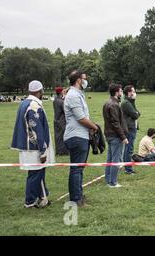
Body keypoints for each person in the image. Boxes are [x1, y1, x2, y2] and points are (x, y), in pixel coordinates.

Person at [11, 80, 54, 208]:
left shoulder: (24, 103)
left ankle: (42, 197)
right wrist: (42, 150)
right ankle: (30, 201)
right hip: (34, 147)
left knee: (37, 173)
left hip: (28, 146)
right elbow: (37, 130)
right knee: (36, 174)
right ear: (40, 91)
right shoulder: (34, 106)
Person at [64, 70, 98, 207]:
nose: (86, 80)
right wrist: (95, 127)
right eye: (85, 78)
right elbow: (81, 118)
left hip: (80, 135)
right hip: (77, 136)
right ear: (78, 80)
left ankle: (78, 196)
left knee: (78, 168)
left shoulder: (77, 94)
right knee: (77, 169)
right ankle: (76, 200)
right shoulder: (73, 95)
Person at [103, 83, 129, 188]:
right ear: (117, 92)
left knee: (110, 158)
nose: (122, 93)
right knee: (115, 159)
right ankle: (113, 182)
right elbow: (115, 123)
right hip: (115, 136)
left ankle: (108, 180)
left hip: (109, 135)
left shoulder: (107, 103)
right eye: (121, 91)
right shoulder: (114, 105)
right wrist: (123, 137)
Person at [121, 85, 141, 175]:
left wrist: (133, 101)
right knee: (129, 149)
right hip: (129, 128)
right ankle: (128, 169)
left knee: (128, 148)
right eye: (133, 91)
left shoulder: (129, 102)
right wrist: (136, 112)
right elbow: (136, 114)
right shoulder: (126, 103)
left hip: (132, 127)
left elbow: (137, 112)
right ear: (129, 92)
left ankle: (127, 166)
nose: (134, 93)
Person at [53, 86, 68, 156]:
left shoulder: (55, 100)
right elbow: (66, 111)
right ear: (61, 92)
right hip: (62, 121)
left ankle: (58, 151)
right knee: (63, 136)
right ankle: (63, 151)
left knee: (57, 137)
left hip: (56, 120)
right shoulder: (62, 102)